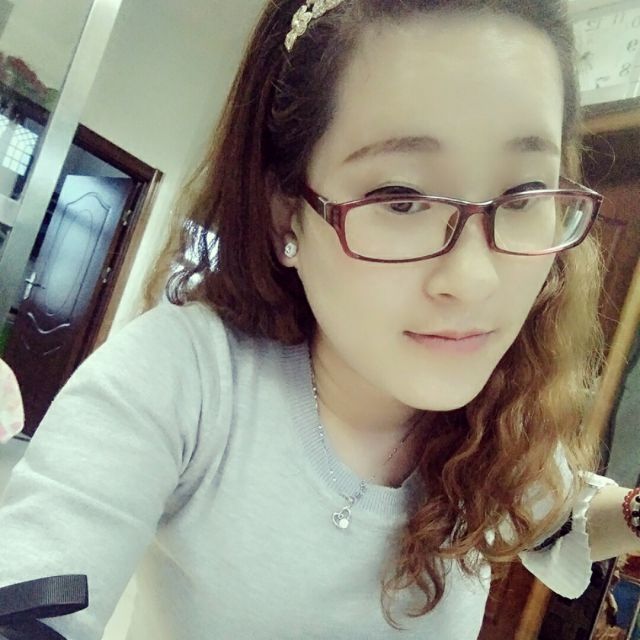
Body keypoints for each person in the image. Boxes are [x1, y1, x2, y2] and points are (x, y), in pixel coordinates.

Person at [0, 1, 638, 638]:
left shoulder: (498, 411)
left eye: (525, 195)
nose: (475, 279)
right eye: (400, 198)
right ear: (287, 213)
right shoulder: (184, 379)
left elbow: (558, 516)